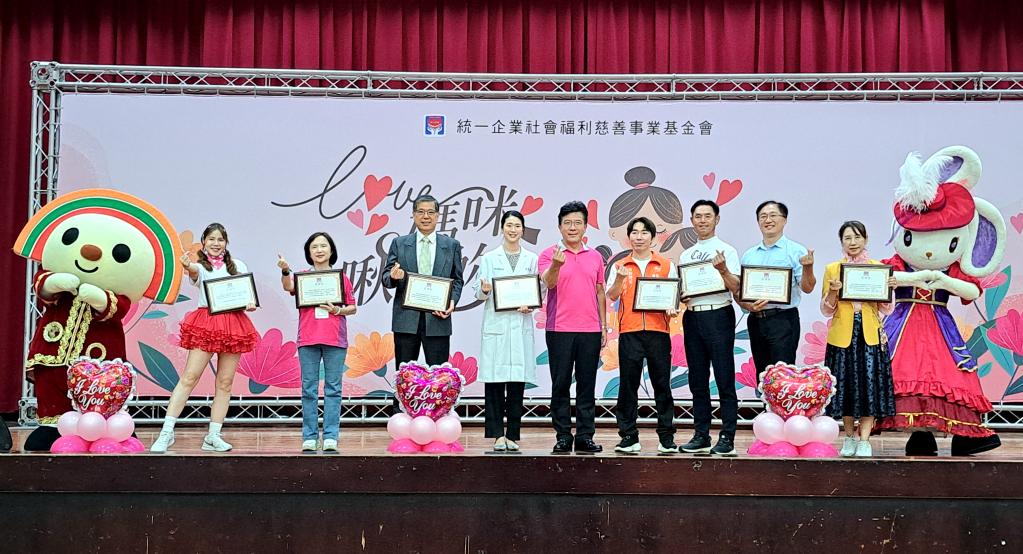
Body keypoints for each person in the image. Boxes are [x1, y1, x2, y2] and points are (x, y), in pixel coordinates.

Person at [152, 223, 259, 453]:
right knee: (190, 377)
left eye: (220, 239)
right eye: (211, 239)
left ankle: (213, 436)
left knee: (225, 382)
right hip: (207, 323)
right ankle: (166, 433)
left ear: (226, 242)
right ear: (204, 242)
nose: (216, 243)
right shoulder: (200, 267)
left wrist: (249, 303)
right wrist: (186, 265)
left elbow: (246, 294)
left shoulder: (238, 265)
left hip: (233, 324)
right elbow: (193, 271)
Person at [821, 221, 896, 457]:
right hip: (842, 336)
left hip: (869, 334)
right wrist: (834, 291)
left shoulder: (879, 269)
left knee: (869, 386)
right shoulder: (833, 269)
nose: (852, 243)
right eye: (847, 238)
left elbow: (887, 309)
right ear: (841, 242)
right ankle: (849, 437)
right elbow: (826, 310)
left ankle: (864, 440)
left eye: (857, 237)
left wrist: (890, 289)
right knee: (845, 387)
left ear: (865, 239)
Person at [277, 232, 357, 453]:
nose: (319, 250)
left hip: (335, 340)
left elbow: (352, 307)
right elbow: (288, 287)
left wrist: (337, 310)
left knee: (333, 389)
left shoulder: (341, 278)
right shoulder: (303, 277)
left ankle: (330, 436)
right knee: (309, 389)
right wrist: (285, 270)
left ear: (331, 250)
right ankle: (310, 436)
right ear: (309, 252)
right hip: (308, 339)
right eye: (314, 247)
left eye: (323, 246)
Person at [539, 201, 607, 454]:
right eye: (567, 223)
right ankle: (563, 436)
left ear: (585, 226)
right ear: (559, 227)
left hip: (590, 329)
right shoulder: (549, 254)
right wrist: (556, 264)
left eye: (578, 222)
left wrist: (604, 326)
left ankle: (585, 436)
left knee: (587, 384)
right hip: (559, 329)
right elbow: (548, 283)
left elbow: (600, 291)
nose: (572, 227)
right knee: (560, 384)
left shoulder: (595, 256)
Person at [606, 216, 678, 454]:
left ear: (653, 237)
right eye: (634, 232)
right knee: (628, 386)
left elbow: (673, 296)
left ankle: (666, 437)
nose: (639, 237)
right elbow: (612, 295)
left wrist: (671, 307)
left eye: (644, 232)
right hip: (630, 332)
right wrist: (619, 278)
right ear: (629, 237)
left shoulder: (665, 265)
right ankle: (629, 437)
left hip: (659, 332)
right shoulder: (620, 265)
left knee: (662, 385)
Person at [678, 200, 742, 456]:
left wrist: (723, 269)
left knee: (724, 378)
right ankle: (701, 434)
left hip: (719, 315)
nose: (702, 220)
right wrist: (681, 295)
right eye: (698, 216)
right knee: (697, 379)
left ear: (717, 219)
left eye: (707, 216)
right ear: (692, 220)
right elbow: (683, 288)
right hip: (693, 317)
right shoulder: (686, 255)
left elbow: (736, 287)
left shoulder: (728, 251)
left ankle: (727, 436)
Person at [381, 194, 464, 382]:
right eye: (420, 212)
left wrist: (452, 302)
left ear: (437, 216)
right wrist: (393, 277)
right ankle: (402, 402)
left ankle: (439, 404)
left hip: (438, 319)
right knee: (405, 378)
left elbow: (457, 280)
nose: (425, 216)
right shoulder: (400, 243)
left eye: (430, 212)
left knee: (439, 378)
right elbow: (386, 278)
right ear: (413, 215)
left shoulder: (451, 245)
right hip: (406, 321)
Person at [474, 211, 538, 452]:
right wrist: (485, 290)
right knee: (494, 382)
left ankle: (512, 434)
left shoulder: (531, 259)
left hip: (520, 323)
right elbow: (478, 293)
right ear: (502, 228)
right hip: (497, 325)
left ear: (523, 230)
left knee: (516, 383)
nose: (513, 230)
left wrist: (531, 304)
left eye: (517, 226)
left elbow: (538, 289)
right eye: (509, 225)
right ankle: (497, 435)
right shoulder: (489, 258)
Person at [739, 200, 817, 381]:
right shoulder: (749, 255)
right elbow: (743, 291)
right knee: (763, 375)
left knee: (783, 375)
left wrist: (808, 267)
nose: (768, 220)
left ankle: (782, 401)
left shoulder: (796, 251)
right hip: (756, 320)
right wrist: (748, 305)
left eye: (773, 215)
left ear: (784, 220)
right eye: (763, 216)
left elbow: (807, 288)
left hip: (783, 320)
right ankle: (764, 401)